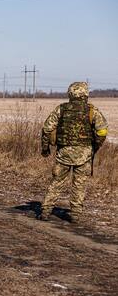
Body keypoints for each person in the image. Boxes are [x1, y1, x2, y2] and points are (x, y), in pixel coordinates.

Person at [39, 81, 108, 223]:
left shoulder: (61, 109)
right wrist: (95, 146)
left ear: (70, 93)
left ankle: (45, 211)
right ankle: (75, 215)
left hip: (63, 153)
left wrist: (45, 148)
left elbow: (46, 129)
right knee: (79, 185)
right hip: (84, 155)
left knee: (57, 182)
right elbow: (102, 131)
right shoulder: (91, 111)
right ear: (86, 94)